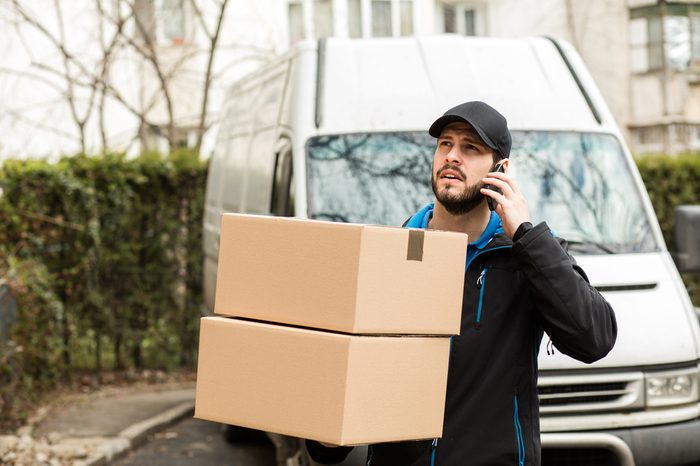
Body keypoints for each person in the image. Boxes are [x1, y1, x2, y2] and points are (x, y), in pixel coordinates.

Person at [306, 101, 618, 466]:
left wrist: (527, 236)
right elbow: (357, 375)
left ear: (500, 169)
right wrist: (327, 438)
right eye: (445, 144)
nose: (453, 156)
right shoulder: (391, 253)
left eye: (471, 148)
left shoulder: (528, 257)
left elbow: (594, 339)